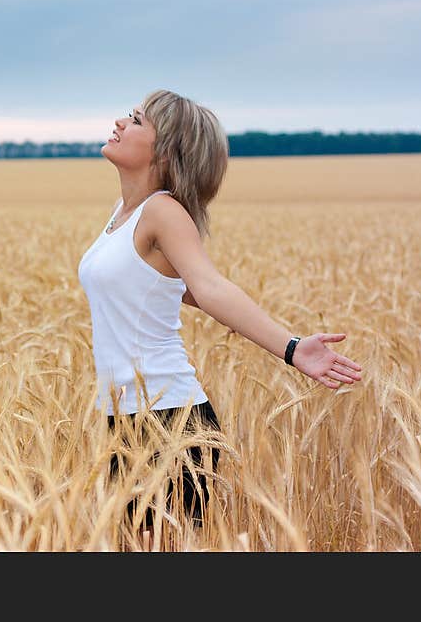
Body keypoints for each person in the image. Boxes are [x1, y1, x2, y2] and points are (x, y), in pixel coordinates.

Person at [77, 89, 363, 541]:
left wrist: (291, 348)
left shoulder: (163, 211)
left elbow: (210, 287)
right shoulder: (123, 213)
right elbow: (176, 287)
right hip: (123, 419)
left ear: (167, 150)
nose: (118, 122)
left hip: (170, 424)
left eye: (135, 120)